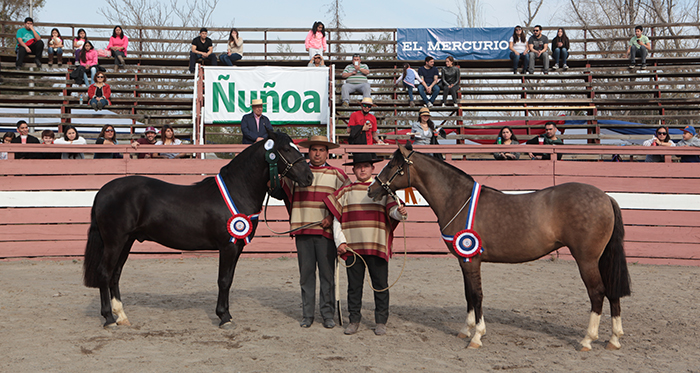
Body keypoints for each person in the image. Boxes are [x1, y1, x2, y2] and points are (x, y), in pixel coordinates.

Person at [270, 135, 351, 329]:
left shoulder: (338, 175)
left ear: (327, 153)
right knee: (306, 276)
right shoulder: (297, 173)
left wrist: (331, 218)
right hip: (303, 230)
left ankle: (327, 314)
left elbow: (347, 200)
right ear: (308, 152)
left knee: (327, 275)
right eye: (314, 149)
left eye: (321, 150)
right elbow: (281, 191)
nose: (317, 153)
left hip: (326, 234)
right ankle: (307, 315)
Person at [323, 152, 408, 336]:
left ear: (372, 168)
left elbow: (392, 211)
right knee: (354, 286)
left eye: (366, 166)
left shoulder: (383, 189)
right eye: (358, 166)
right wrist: (340, 241)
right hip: (353, 247)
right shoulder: (346, 191)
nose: (362, 169)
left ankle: (381, 321)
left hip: (376, 244)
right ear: (353, 169)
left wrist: (399, 212)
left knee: (381, 285)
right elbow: (337, 218)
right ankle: (354, 320)